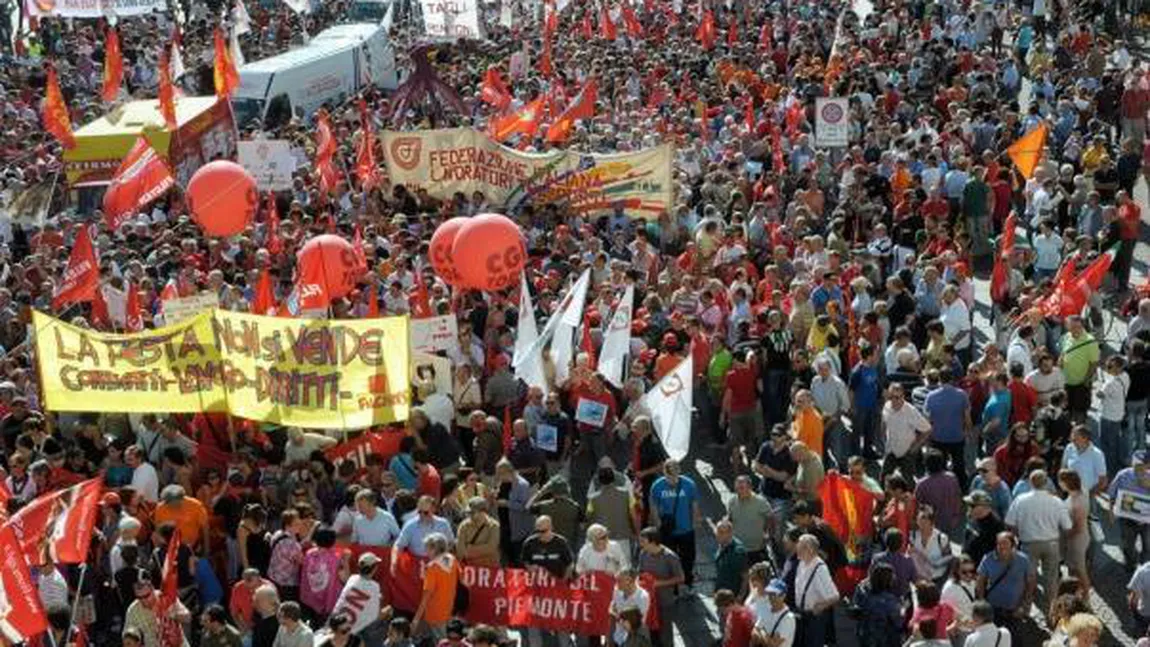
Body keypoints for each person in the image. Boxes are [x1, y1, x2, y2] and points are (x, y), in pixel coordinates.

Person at [648, 460, 700, 588]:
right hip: (667, 530)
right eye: (669, 477)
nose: (673, 480)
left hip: (686, 529)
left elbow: (694, 504)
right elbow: (653, 505)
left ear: (679, 471)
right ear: (664, 473)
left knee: (688, 558)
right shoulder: (657, 486)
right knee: (669, 559)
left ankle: (688, 581)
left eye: (675, 476)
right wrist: (658, 523)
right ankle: (673, 585)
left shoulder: (689, 484)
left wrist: (694, 522)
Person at [976, 532, 1035, 628]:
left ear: (1013, 545)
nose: (1001, 546)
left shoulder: (1023, 560)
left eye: (1005, 543)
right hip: (993, 608)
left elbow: (1030, 583)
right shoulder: (988, 558)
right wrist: (982, 603)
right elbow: (980, 581)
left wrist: (1024, 606)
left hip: (1014, 610)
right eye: (999, 543)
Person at [637, 527, 684, 647]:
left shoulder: (670, 557)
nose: (640, 544)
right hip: (647, 601)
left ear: (653, 542)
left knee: (665, 633)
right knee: (651, 632)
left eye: (643, 541)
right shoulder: (643, 554)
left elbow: (680, 578)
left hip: (664, 602)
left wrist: (658, 583)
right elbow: (640, 572)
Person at [790, 534, 839, 647]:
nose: (796, 549)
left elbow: (835, 596)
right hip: (801, 616)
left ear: (810, 550)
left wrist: (821, 606)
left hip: (814, 620)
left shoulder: (820, 569)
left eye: (800, 547)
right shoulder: (802, 563)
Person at [123, 570, 190, 647]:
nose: (144, 600)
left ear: (152, 589)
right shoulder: (133, 610)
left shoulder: (166, 599)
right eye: (139, 597)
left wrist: (174, 615)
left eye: (146, 596)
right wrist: (131, 638)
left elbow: (187, 617)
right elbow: (129, 633)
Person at [410, 533, 458, 641]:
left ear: (434, 549)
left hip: (434, 613)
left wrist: (416, 619)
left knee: (441, 642)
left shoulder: (431, 568)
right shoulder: (452, 559)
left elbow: (427, 595)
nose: (425, 551)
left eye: (427, 547)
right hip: (448, 609)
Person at [851, 562, 903, 647]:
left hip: (865, 633)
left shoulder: (862, 588)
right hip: (885, 639)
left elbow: (856, 606)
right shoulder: (889, 600)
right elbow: (898, 622)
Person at [726, 475, 773, 566]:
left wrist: (768, 534)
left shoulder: (760, 502)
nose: (739, 491)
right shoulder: (732, 501)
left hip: (756, 548)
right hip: (738, 547)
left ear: (750, 488)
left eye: (742, 488)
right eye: (737, 488)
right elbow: (730, 518)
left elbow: (771, 518)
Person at [609, 568, 650, 647]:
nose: (616, 584)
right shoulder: (616, 591)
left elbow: (632, 626)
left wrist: (617, 615)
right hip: (617, 638)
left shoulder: (642, 597)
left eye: (619, 581)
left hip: (635, 640)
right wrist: (609, 638)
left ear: (629, 581)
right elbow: (611, 610)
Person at [713, 520, 747, 596]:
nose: (717, 535)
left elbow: (745, 577)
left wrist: (740, 597)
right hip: (721, 592)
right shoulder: (722, 544)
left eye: (721, 532)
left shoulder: (737, 552)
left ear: (730, 534)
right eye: (717, 532)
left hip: (732, 595)